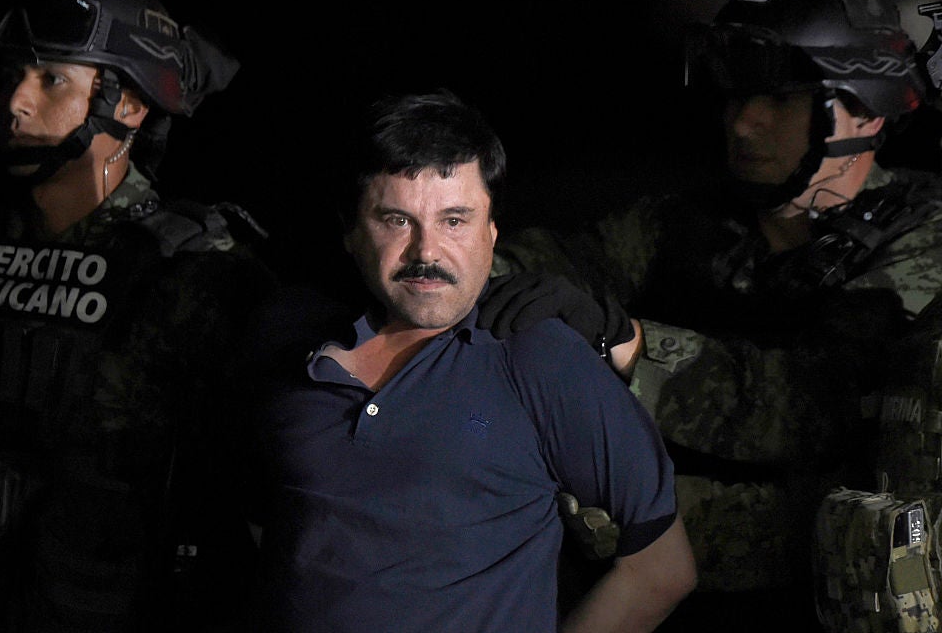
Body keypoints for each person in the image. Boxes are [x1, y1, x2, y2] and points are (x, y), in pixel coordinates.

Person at [485, 0, 942, 631]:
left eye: (781, 99)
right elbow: (567, 261)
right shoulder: (696, 222)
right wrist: (461, 268)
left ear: (865, 110)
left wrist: (627, 344)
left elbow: (811, 407)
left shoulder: (922, 239)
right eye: (734, 95)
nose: (743, 121)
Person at [245, 88, 696, 632]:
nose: (427, 251)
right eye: (396, 220)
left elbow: (661, 569)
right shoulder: (288, 344)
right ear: (352, 231)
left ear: (492, 230)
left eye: (454, 220)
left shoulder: (540, 358)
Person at [0, 0, 276, 632]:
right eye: (13, 76)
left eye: (52, 79)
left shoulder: (194, 273)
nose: (16, 101)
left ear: (130, 105)